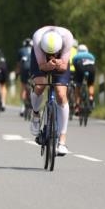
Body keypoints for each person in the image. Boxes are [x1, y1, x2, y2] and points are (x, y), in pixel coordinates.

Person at [29, 25, 76, 156]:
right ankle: (35, 114)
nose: (51, 56)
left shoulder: (67, 38)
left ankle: (62, 141)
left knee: (61, 94)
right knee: (40, 85)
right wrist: (47, 65)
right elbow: (41, 66)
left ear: (59, 49)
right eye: (48, 54)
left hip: (62, 59)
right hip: (40, 59)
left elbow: (64, 67)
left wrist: (59, 64)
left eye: (54, 53)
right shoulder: (37, 38)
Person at [72, 43, 97, 109]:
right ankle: (91, 98)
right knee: (90, 84)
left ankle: (77, 105)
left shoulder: (76, 56)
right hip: (91, 68)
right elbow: (94, 62)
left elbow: (75, 66)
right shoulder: (91, 55)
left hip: (81, 68)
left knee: (78, 86)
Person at [17, 38, 34, 116]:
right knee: (35, 86)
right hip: (33, 69)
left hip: (24, 69)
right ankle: (35, 105)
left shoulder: (21, 50)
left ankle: (22, 107)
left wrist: (17, 73)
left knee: (23, 87)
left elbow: (19, 64)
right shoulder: (35, 50)